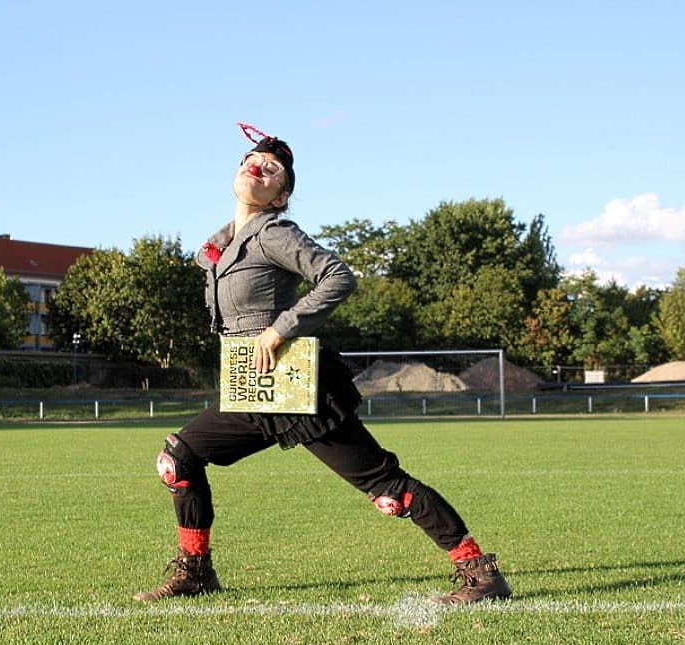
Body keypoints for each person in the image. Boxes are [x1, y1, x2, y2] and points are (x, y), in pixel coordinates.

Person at [132, 123, 511, 606]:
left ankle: (480, 572)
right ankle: (196, 572)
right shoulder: (222, 245)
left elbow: (338, 276)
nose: (260, 166)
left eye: (274, 169)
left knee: (385, 487)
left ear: (280, 197)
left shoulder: (274, 233)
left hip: (297, 386)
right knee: (178, 459)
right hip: (252, 390)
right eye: (254, 159)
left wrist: (279, 329)